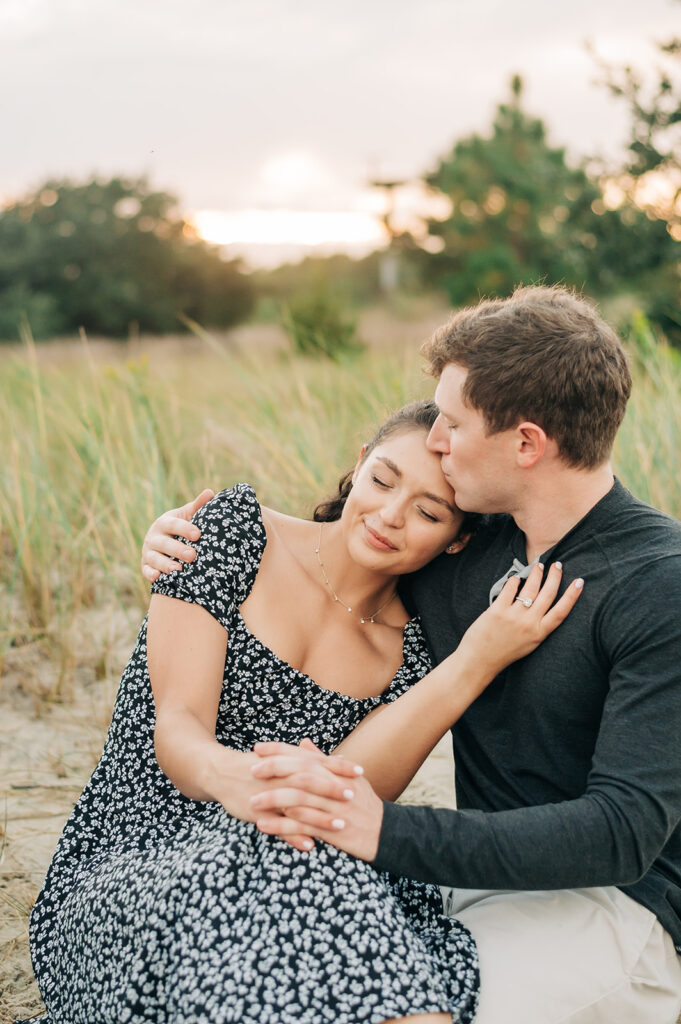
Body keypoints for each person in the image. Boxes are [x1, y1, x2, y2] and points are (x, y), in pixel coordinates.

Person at [146, 286, 681, 1024]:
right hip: (465, 884)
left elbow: (622, 832)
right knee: (286, 977)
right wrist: (180, 541)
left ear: (525, 444)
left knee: (374, 1007)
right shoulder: (462, 543)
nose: (436, 440)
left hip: (613, 911)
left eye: (453, 425)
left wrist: (381, 828)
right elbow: (335, 543)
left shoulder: (659, 583)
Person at [21, 399, 581, 1024]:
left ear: (456, 542)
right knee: (289, 845)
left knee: (302, 849)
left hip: (298, 871)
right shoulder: (236, 533)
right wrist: (243, 781)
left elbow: (342, 799)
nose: (389, 516)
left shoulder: (416, 649)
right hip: (127, 875)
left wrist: (474, 661)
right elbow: (176, 730)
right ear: (361, 462)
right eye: (383, 480)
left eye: (429, 512)